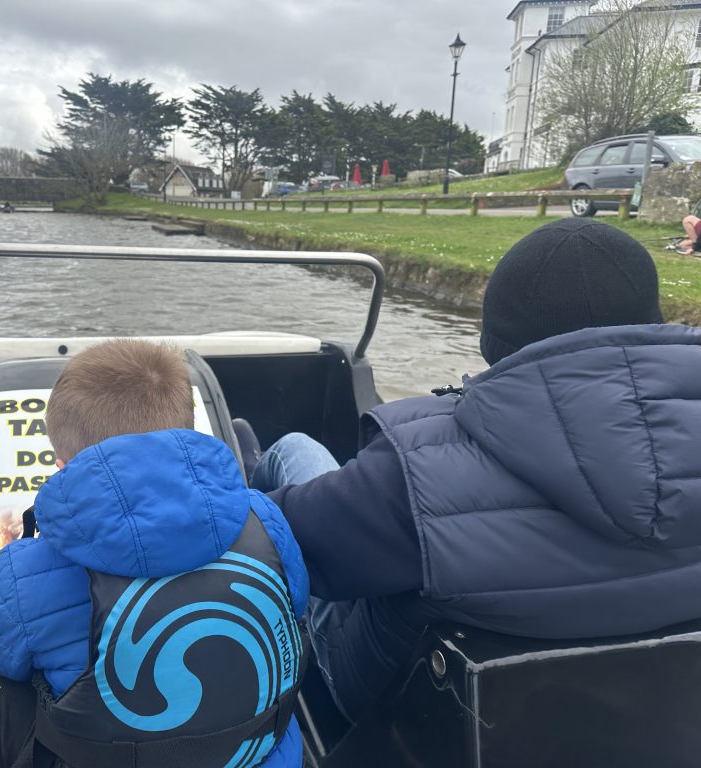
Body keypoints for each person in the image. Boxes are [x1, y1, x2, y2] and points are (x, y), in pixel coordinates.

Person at [251, 218, 701, 724]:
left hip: (404, 710)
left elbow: (271, 547)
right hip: (647, 718)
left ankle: (249, 460)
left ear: (495, 343)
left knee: (293, 450)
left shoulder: (410, 476)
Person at [0, 339, 309, 768]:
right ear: (188, 433)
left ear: (62, 464)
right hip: (264, 755)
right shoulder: (264, 518)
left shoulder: (29, 572)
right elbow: (295, 602)